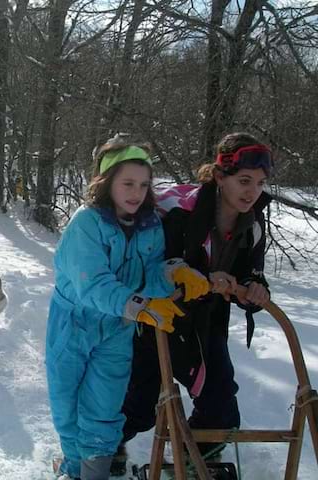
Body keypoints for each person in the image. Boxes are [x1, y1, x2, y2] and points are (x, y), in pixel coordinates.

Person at [47, 139, 209, 480]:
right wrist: (141, 307)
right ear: (106, 182)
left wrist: (172, 273)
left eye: (144, 184)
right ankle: (73, 467)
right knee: (68, 405)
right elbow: (92, 284)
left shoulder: (149, 224)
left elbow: (145, 274)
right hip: (73, 325)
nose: (137, 192)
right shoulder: (86, 223)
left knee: (105, 407)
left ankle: (93, 474)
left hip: (117, 329)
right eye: (128, 183)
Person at [117, 132, 273, 473]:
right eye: (244, 181)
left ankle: (194, 462)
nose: (252, 192)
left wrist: (254, 289)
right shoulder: (178, 210)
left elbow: (251, 273)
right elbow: (148, 264)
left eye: (259, 183)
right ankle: (97, 454)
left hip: (205, 325)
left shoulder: (253, 224)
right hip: (159, 318)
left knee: (221, 408)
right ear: (220, 177)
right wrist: (196, 275)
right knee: (137, 408)